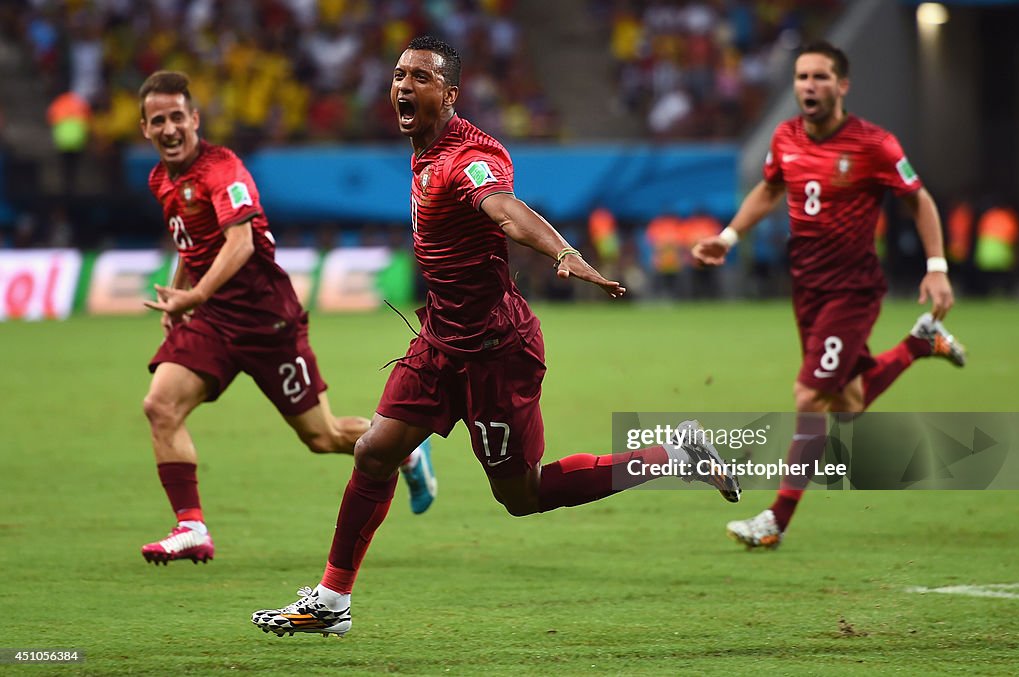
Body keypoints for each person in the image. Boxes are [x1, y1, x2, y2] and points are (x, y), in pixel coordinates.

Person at [251, 36, 741, 638]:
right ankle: (332, 601)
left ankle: (673, 456)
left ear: (450, 95)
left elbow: (506, 210)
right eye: (399, 75)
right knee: (374, 450)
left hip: (495, 354)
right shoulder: (422, 148)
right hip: (440, 340)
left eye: (420, 78)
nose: (403, 85)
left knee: (522, 496)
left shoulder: (471, 158)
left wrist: (563, 250)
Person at [136, 71, 437, 565]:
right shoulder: (160, 180)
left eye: (176, 117)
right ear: (145, 129)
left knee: (321, 437)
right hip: (213, 321)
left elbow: (241, 242)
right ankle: (190, 525)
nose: (169, 128)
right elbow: (189, 241)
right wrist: (182, 293)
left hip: (266, 321)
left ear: (194, 119)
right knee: (160, 407)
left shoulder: (223, 170)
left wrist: (194, 296)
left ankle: (404, 451)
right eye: (157, 121)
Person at [691, 41, 967, 550]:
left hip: (852, 289)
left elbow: (919, 200)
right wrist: (728, 237)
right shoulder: (785, 136)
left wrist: (937, 267)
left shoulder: (875, 145)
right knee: (847, 402)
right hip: (808, 289)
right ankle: (919, 344)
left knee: (809, 396)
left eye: (820, 77)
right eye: (801, 77)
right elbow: (771, 189)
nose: (808, 87)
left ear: (842, 86)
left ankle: (776, 519)